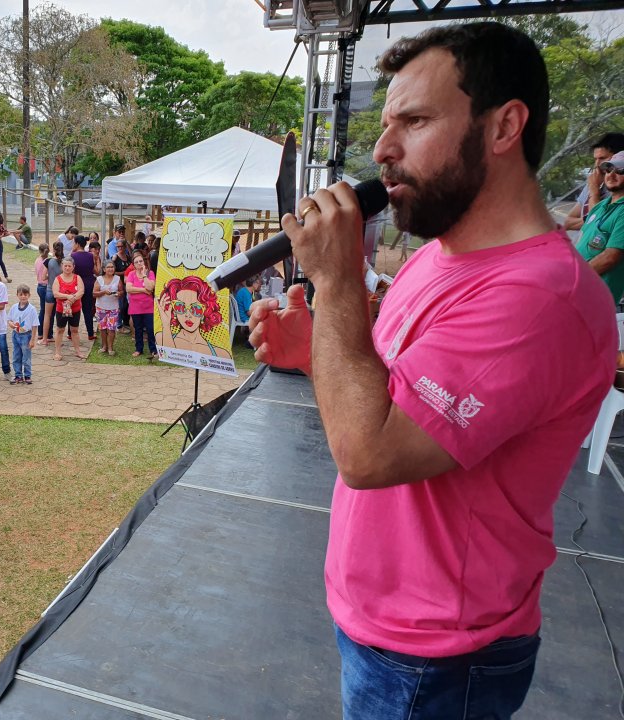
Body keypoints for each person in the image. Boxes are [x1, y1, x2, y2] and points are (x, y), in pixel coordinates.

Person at [248, 23, 616, 719]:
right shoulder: (439, 257)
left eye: (414, 122)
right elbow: (388, 387)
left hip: (437, 658)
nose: (383, 151)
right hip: (389, 628)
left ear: (505, 125)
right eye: (386, 125)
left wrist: (337, 283)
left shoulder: (540, 298)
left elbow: (367, 449)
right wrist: (316, 346)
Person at [575, 150, 624, 303]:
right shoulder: (601, 206)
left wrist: (574, 277)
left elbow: (611, 257)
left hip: (595, 299)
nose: (611, 174)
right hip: (579, 292)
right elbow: (583, 239)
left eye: (620, 170)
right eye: (608, 169)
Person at [155, 276, 232, 359]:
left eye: (196, 308)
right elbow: (168, 356)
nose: (188, 314)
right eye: (180, 306)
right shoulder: (161, 337)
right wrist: (166, 325)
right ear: (174, 311)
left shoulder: (221, 353)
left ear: (205, 312)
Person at [563, 133, 624, 232]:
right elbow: (568, 222)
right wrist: (591, 220)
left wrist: (594, 191)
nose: (597, 164)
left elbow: (598, 224)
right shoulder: (594, 182)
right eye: (595, 159)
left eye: (602, 158)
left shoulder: (617, 187)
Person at [52, 256, 85, 361]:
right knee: (60, 329)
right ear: (62, 266)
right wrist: (67, 296)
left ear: (73, 267)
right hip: (61, 309)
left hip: (75, 309)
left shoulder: (77, 278)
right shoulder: (58, 279)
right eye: (65, 266)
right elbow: (55, 293)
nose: (67, 268)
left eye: (69, 266)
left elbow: (81, 291)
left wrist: (73, 298)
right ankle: (57, 352)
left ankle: (77, 351)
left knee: (74, 330)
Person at [125, 252, 157, 358]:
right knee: (137, 329)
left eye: (141, 261)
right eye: (136, 262)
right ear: (133, 264)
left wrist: (144, 275)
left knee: (150, 329)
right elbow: (128, 289)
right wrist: (143, 290)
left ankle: (153, 349)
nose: (139, 263)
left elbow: (151, 287)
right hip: (135, 307)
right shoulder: (131, 274)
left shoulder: (150, 273)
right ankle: (139, 349)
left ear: (144, 262)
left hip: (148, 307)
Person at [7, 284, 38, 384]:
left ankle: (27, 375)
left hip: (26, 335)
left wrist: (32, 339)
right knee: (16, 356)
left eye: (25, 294)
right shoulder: (14, 307)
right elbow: (9, 319)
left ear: (29, 295)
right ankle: (18, 375)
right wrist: (11, 324)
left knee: (26, 357)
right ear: (17, 295)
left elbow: (34, 325)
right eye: (21, 294)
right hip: (16, 335)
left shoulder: (32, 309)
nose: (23, 296)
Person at [71, 235, 97, 341]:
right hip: (89, 283)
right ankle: (90, 333)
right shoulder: (91, 255)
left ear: (77, 244)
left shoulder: (73, 255)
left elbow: (69, 269)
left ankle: (70, 333)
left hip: (76, 284)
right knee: (88, 309)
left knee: (73, 309)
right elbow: (95, 270)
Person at [94, 260, 121, 356]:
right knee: (103, 328)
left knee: (111, 328)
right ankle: (104, 346)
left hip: (113, 308)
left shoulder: (117, 279)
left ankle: (110, 348)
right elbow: (94, 293)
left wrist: (118, 294)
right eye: (108, 267)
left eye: (112, 267)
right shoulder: (99, 279)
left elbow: (122, 291)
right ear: (104, 269)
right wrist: (103, 292)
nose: (110, 269)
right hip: (101, 307)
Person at [40, 242, 64, 345]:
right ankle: (59, 339)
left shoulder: (48, 261)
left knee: (47, 315)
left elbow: (43, 277)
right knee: (60, 316)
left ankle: (45, 339)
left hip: (50, 290)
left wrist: (50, 275)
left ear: (53, 250)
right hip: (61, 292)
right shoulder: (65, 262)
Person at [112, 239, 132, 333]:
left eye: (121, 246)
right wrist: (124, 273)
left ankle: (125, 322)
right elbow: (111, 271)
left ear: (125, 247)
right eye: (118, 246)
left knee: (125, 305)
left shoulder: (128, 257)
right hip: (118, 284)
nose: (119, 248)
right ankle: (119, 325)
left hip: (127, 284)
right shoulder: (115, 257)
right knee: (119, 305)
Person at [34, 243, 49, 341]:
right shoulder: (47, 262)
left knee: (43, 310)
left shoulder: (37, 260)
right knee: (46, 312)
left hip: (40, 286)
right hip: (46, 287)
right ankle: (42, 333)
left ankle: (40, 333)